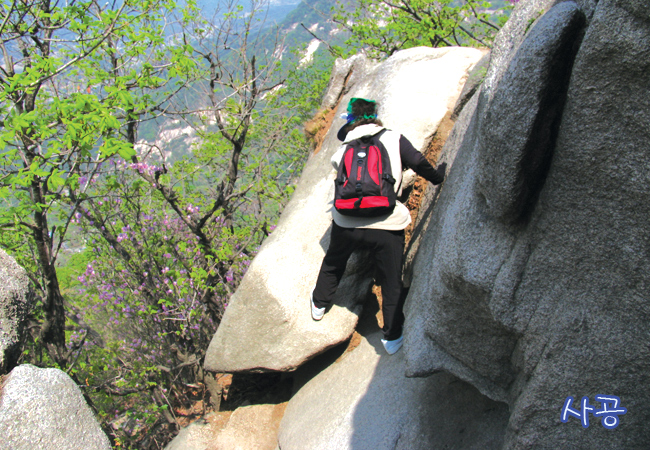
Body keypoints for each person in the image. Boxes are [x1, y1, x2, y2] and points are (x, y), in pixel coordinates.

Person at [311, 98, 447, 355]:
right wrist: (438, 177)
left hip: (347, 223)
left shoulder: (343, 149)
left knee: (334, 262)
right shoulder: (394, 138)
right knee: (390, 278)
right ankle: (392, 337)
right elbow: (418, 162)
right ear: (375, 117)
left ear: (350, 122)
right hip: (386, 222)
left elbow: (341, 176)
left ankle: (319, 304)